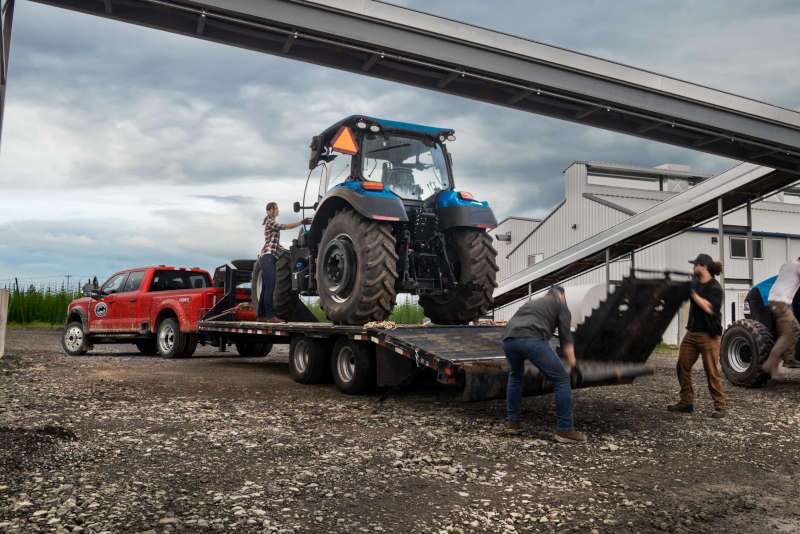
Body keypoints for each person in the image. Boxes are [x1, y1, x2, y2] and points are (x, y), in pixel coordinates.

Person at [502, 286, 586, 443]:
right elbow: (566, 338)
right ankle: (564, 430)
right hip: (532, 339)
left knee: (515, 376)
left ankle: (512, 423)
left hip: (509, 339)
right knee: (562, 380)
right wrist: (574, 365)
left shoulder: (532, 302)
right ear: (562, 296)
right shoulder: (561, 304)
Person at [668, 253, 727, 417]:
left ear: (704, 266)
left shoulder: (715, 288)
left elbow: (708, 308)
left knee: (711, 372)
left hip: (709, 336)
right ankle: (686, 402)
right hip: (692, 333)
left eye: (695, 265)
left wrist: (692, 293)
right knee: (682, 366)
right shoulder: (695, 283)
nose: (693, 268)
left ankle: (720, 406)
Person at [257, 202, 309, 322]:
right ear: (270, 210)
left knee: (265, 288)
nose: (278, 210)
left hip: (268, 257)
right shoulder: (271, 221)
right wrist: (301, 222)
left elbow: (274, 243)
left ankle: (261, 316)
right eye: (276, 208)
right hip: (268, 257)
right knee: (270, 287)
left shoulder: (270, 222)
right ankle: (270, 316)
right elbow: (285, 227)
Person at [760, 257, 800, 377]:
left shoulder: (788, 264)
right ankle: (770, 364)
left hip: (777, 301)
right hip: (781, 303)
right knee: (788, 334)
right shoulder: (798, 267)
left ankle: (789, 358)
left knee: (795, 329)